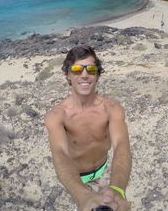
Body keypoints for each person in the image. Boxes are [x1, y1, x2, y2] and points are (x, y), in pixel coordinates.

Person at [44, 45, 132, 211]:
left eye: (91, 69)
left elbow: (121, 145)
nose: (84, 75)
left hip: (104, 170)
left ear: (97, 75)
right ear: (67, 76)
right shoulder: (57, 116)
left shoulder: (112, 109)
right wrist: (82, 195)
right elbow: (60, 154)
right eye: (77, 69)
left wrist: (118, 188)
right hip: (76, 179)